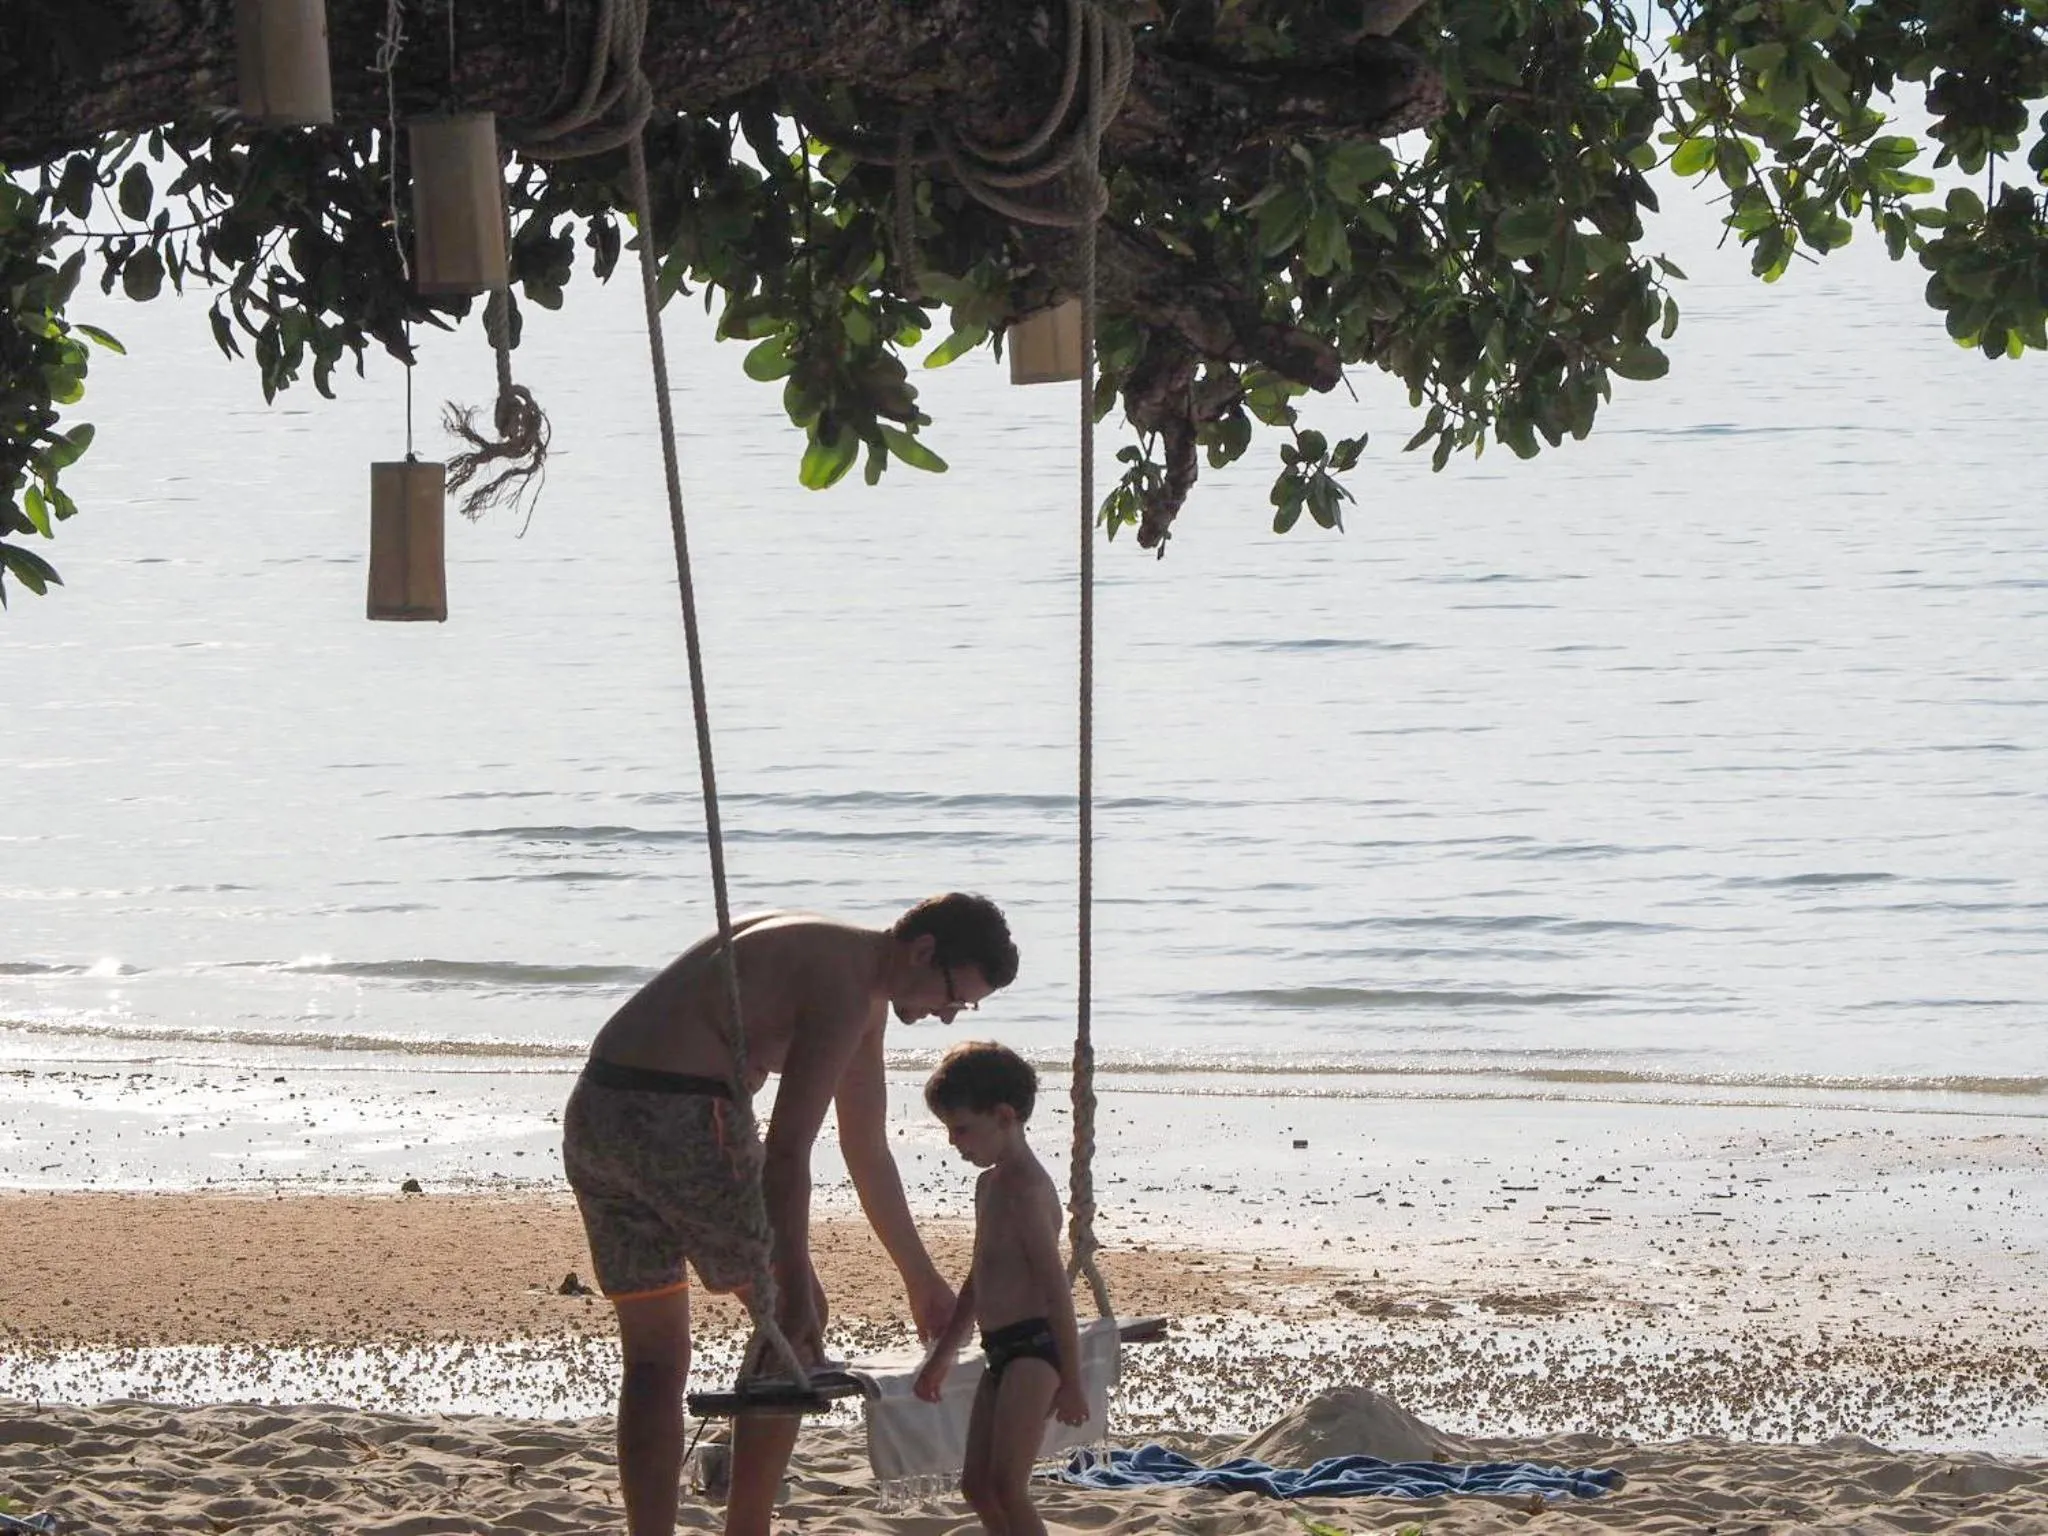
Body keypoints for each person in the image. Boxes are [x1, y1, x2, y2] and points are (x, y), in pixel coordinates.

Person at [562, 894, 1019, 1536]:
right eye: (955, 996)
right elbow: (786, 1152)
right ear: (924, 951)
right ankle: (747, 1528)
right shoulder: (845, 990)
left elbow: (867, 1148)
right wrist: (794, 1280)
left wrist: (920, 1278)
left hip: (596, 1115)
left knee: (655, 1360)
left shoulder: (840, 962)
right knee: (798, 1321)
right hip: (680, 1117)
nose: (948, 1017)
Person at [913, 1041, 1090, 1536]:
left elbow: (1057, 1290)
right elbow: (978, 1280)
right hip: (999, 1347)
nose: (954, 1142)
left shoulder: (1027, 1189)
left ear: (1005, 1116)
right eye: (949, 1130)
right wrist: (943, 1355)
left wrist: (1072, 1380)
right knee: (977, 1487)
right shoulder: (988, 1186)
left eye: (962, 1128)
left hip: (1036, 1348)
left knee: (1009, 1487)